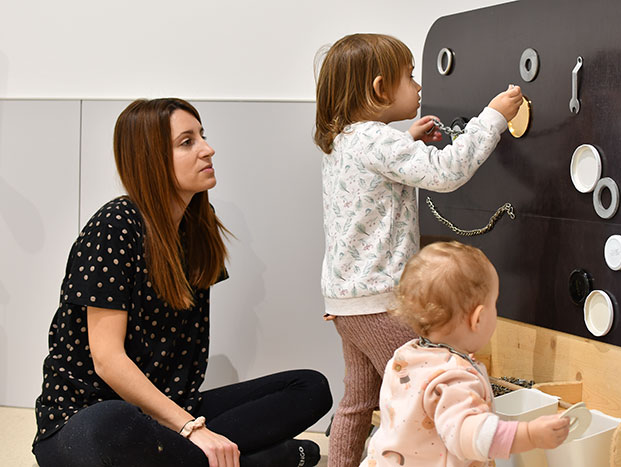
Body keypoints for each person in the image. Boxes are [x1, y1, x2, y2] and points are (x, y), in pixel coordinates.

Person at [32, 98, 332, 467]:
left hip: (169, 413)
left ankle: (226, 458)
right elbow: (108, 361)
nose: (208, 149)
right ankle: (262, 459)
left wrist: (187, 423)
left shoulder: (197, 227)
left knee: (309, 387)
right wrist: (191, 428)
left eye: (202, 136)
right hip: (84, 420)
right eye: (187, 142)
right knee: (111, 423)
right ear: (151, 159)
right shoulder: (115, 225)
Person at [313, 33, 523, 466]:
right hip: (382, 302)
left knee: (358, 400)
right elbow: (446, 172)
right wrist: (492, 119)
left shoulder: (346, 141)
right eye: (409, 76)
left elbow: (372, 182)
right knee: (424, 391)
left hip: (346, 300)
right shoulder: (379, 142)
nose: (419, 85)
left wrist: (406, 139)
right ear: (378, 89)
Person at [360, 241, 570, 466]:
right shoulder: (454, 377)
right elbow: (471, 435)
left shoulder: (404, 356)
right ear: (477, 319)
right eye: (495, 303)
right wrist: (530, 434)